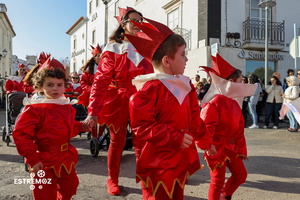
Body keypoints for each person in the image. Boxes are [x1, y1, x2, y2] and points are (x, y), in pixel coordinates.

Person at [126, 17, 216, 200]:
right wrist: (175, 136)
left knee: (177, 195)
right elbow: (141, 127)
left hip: (179, 157)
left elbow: (195, 119)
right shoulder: (149, 90)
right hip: (158, 162)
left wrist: (206, 143)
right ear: (167, 61)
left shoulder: (186, 86)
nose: (187, 59)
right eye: (183, 54)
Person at [84, 7, 154, 196]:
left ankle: (146, 182)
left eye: (141, 20)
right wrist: (93, 110)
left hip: (143, 99)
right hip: (119, 99)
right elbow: (100, 81)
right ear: (123, 25)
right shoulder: (113, 48)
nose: (139, 24)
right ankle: (112, 179)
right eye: (134, 20)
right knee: (117, 141)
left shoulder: (148, 47)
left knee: (143, 142)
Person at [12, 57, 92, 200]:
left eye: (59, 84)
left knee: (70, 187)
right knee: (44, 194)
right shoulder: (34, 108)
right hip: (42, 160)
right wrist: (32, 158)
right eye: (50, 85)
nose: (55, 88)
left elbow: (69, 128)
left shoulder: (65, 106)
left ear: (65, 85)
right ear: (40, 86)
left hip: (65, 157)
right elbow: (21, 135)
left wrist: (82, 126)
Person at [200, 53, 257, 200]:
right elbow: (206, 126)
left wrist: (240, 148)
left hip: (231, 149)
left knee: (241, 175)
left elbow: (239, 129)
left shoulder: (235, 103)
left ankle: (225, 195)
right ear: (232, 82)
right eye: (240, 81)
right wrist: (208, 145)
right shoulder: (215, 102)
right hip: (216, 148)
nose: (242, 84)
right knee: (217, 180)